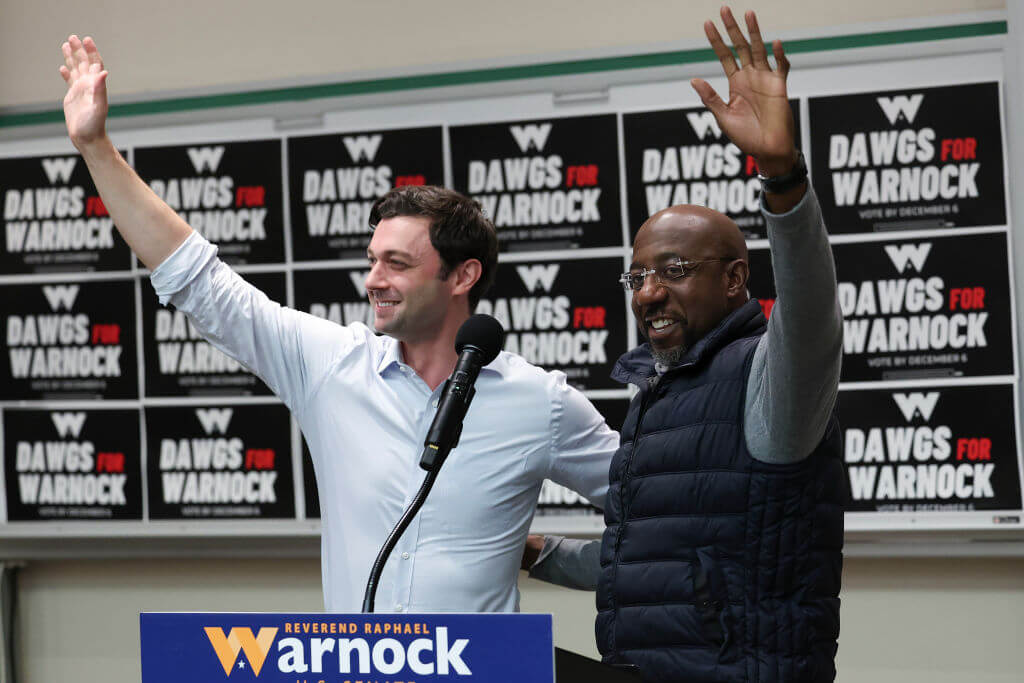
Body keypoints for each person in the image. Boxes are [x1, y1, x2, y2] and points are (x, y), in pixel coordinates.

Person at [58, 35, 618, 613]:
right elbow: (201, 281)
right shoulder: (332, 365)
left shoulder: (540, 402)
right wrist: (97, 148)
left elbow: (665, 509)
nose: (373, 280)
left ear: (461, 276)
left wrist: (550, 554)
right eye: (371, 260)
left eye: (397, 264)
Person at [523, 7, 846, 682]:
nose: (647, 293)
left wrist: (782, 176)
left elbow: (812, 316)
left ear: (734, 279)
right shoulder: (661, 392)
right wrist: (535, 551)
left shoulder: (765, 380)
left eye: (673, 270)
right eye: (637, 275)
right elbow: (652, 560)